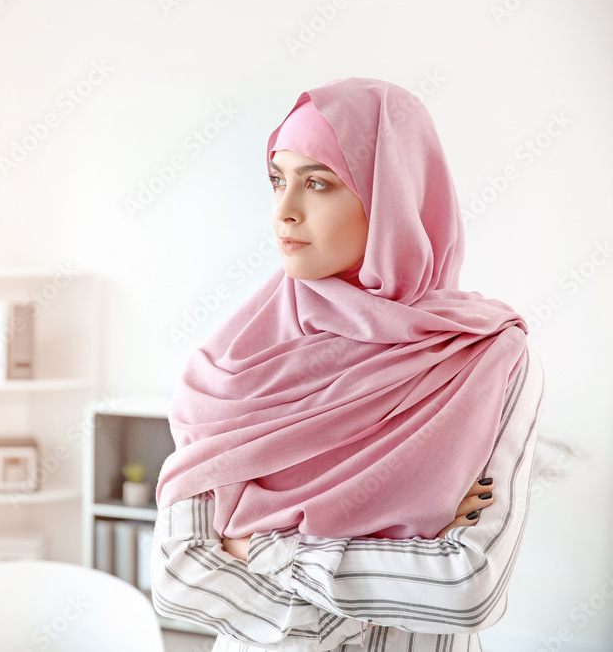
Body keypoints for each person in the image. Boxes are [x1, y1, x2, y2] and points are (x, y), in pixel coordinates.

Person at [150, 77, 544, 651]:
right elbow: (178, 574)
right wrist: (398, 545)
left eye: (318, 183)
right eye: (277, 180)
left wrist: (252, 544)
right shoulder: (227, 366)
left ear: (392, 196)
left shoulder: (485, 357)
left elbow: (468, 586)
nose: (284, 211)